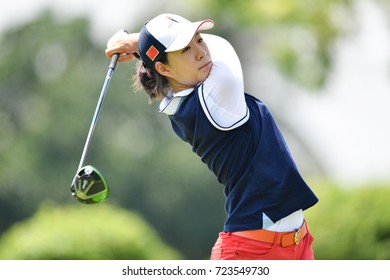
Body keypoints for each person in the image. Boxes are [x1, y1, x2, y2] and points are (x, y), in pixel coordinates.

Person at [105, 13, 319, 260]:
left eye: (198, 40)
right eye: (185, 48)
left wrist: (144, 46)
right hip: (253, 252)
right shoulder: (214, 93)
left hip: (294, 242)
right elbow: (223, 46)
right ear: (164, 68)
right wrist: (136, 41)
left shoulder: (181, 102)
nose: (201, 52)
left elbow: (193, 55)